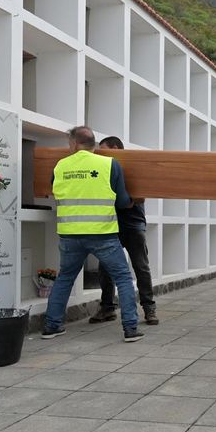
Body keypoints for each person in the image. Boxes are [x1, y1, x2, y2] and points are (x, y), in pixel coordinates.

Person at [42, 126, 144, 343]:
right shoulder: (109, 164)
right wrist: (133, 202)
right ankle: (130, 329)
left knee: (65, 278)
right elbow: (122, 201)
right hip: (102, 233)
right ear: (93, 143)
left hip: (70, 234)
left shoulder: (60, 166)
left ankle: (52, 326)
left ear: (74, 143)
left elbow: (55, 191)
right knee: (123, 278)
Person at [90, 135, 158, 326]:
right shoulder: (104, 168)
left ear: (115, 148)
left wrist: (128, 200)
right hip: (111, 224)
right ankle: (107, 308)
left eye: (104, 150)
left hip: (133, 224)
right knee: (105, 268)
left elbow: (141, 196)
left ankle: (149, 308)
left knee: (141, 267)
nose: (100, 154)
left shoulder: (133, 166)